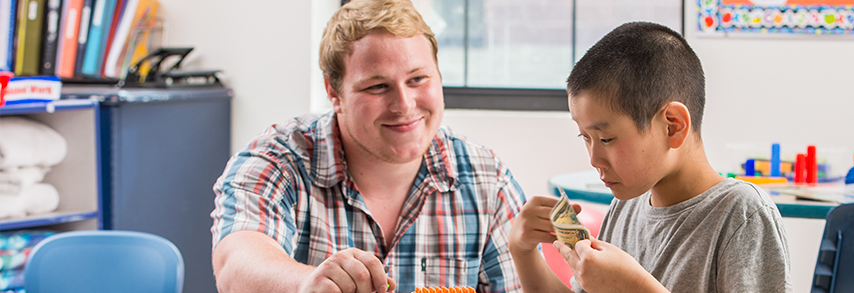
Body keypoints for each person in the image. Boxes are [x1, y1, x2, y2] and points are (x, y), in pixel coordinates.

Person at [209, 1, 526, 292]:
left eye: (417, 79)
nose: (404, 104)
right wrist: (307, 282)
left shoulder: (488, 182)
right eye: (377, 86)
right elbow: (236, 265)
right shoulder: (278, 160)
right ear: (334, 93)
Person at [508, 22, 792, 293]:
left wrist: (634, 287)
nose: (594, 158)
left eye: (606, 139)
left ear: (673, 126)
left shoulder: (742, 215)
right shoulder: (625, 207)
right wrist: (523, 252)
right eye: (584, 136)